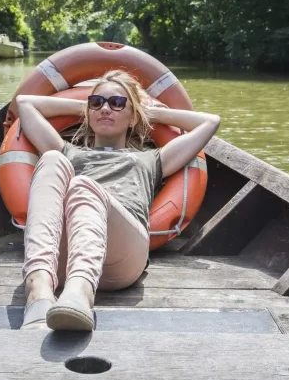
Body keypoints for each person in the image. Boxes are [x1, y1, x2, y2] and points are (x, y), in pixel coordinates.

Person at [15, 69, 220, 331]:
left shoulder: (152, 159)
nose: (105, 109)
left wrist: (146, 111)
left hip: (122, 257)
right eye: (97, 103)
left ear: (132, 115)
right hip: (64, 260)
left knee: (83, 186)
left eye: (117, 103)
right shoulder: (69, 152)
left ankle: (82, 292)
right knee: (52, 159)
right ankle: (38, 292)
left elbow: (210, 122)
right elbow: (25, 104)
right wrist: (85, 105)